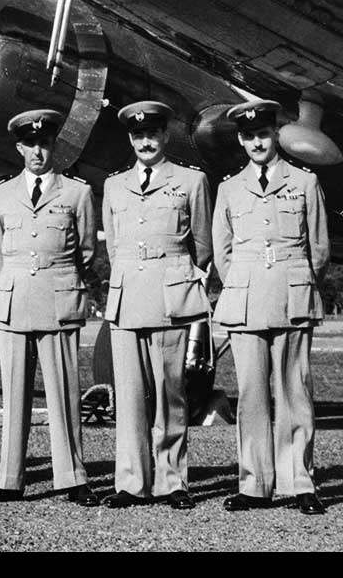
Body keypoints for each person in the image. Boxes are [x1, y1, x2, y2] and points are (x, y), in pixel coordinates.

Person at [212, 99, 330, 516]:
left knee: (295, 392)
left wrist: (293, 280)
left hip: (291, 296)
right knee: (251, 397)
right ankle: (254, 484)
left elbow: (318, 250)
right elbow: (222, 253)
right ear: (241, 140)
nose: (257, 142)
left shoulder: (304, 182)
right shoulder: (228, 188)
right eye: (249, 136)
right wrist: (245, 283)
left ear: (275, 134)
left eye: (263, 134)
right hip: (244, 300)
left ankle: (300, 482)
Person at [0, 109, 100, 507]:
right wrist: (16, 278)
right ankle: (9, 479)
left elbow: (85, 248)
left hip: (58, 296)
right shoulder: (0, 194)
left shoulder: (76, 193)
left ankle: (72, 477)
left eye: (44, 143)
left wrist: (54, 276)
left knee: (64, 390)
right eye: (30, 144)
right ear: (19, 147)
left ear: (54, 147)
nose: (37, 151)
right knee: (15, 391)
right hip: (15, 298)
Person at [99, 101, 213, 510]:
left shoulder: (191, 181)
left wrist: (175, 277)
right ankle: (130, 482)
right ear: (131, 139)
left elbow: (202, 245)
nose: (145, 142)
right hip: (128, 296)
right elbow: (114, 244)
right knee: (128, 396)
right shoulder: (114, 185)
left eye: (152, 134)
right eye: (137, 136)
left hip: (170, 297)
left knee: (170, 392)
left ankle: (172, 481)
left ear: (165, 136)